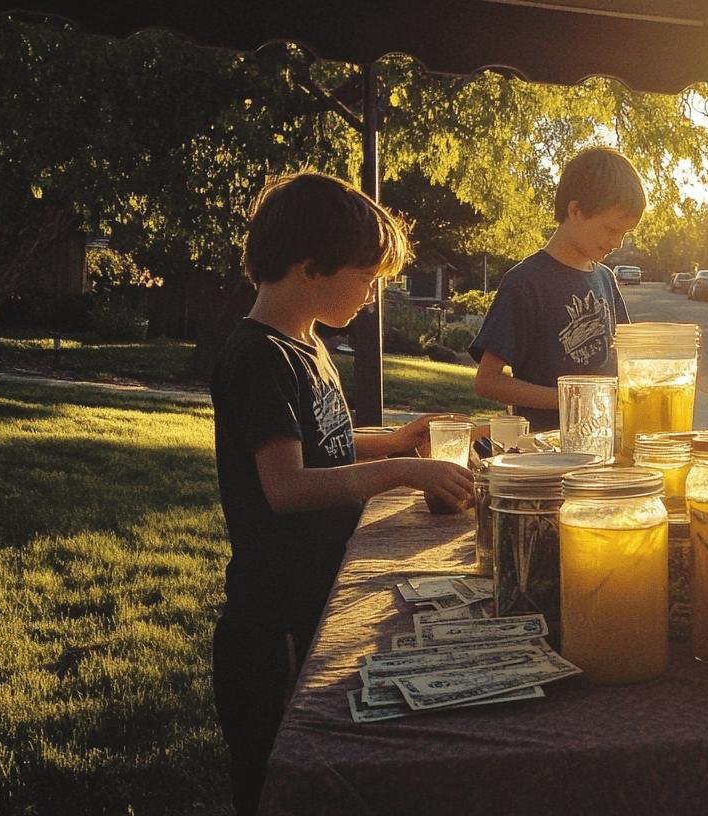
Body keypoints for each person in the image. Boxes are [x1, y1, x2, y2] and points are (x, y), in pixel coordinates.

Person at [210, 172, 476, 816]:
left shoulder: (306, 343)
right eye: (365, 277)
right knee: (279, 782)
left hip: (312, 599)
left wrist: (394, 441)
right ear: (310, 267)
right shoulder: (258, 358)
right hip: (271, 623)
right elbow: (287, 486)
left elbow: (325, 441)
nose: (373, 294)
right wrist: (402, 474)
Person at [470, 146, 644, 431]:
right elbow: (488, 382)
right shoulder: (525, 282)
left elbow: (626, 360)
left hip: (603, 441)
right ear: (575, 210)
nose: (618, 243)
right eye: (611, 229)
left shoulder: (605, 279)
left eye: (625, 234)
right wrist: (572, 400)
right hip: (543, 454)